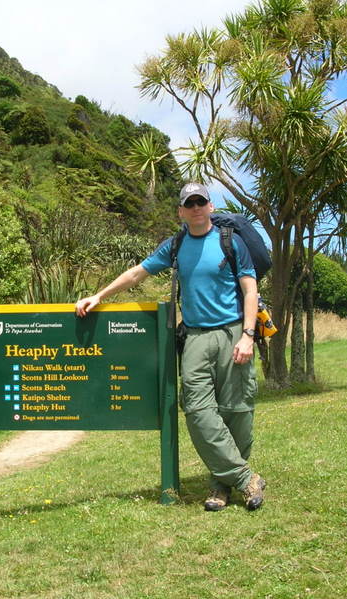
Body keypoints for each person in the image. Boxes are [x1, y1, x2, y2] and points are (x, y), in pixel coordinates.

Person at [75, 182, 266, 511]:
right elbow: (137, 274)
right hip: (194, 337)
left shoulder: (230, 242)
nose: (196, 208)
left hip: (233, 333)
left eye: (200, 202)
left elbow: (250, 290)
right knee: (197, 411)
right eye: (189, 203)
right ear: (180, 211)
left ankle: (221, 487)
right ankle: (245, 477)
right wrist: (100, 296)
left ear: (210, 206)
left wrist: (248, 335)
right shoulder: (175, 245)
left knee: (237, 411)